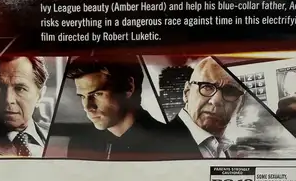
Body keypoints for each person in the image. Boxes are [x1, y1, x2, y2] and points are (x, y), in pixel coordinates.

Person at [66, 59, 198, 160]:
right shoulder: (79, 145)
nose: (87, 107)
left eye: (97, 94)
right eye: (82, 96)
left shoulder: (173, 144)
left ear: (129, 87)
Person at [170, 57, 246, 158]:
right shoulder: (160, 145)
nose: (216, 101)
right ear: (187, 92)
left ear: (241, 105)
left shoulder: (225, 148)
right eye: (207, 87)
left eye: (230, 91)